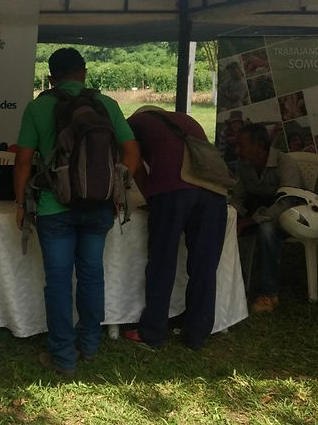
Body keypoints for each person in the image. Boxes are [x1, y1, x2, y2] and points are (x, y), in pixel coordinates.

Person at [13, 48, 141, 377]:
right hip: (99, 205)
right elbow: (131, 151)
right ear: (84, 73)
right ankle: (90, 345)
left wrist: (20, 204)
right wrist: (117, 189)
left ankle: (63, 357)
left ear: (51, 78)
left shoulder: (38, 107)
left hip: (53, 207)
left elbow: (23, 161)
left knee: (58, 281)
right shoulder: (106, 105)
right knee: (92, 275)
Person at [123, 107, 228, 350]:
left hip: (172, 190)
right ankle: (196, 334)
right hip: (214, 191)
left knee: (162, 261)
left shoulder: (134, 122)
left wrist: (152, 199)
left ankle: (152, 333)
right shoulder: (188, 120)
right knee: (204, 264)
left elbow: (134, 163)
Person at [232, 123, 304, 313]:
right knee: (226, 225)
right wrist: (231, 216)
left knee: (267, 229)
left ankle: (269, 294)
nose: (237, 151)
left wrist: (248, 222)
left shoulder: (285, 163)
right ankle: (233, 286)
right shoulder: (243, 164)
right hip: (257, 210)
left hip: (289, 216)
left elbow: (286, 203)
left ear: (259, 146)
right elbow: (238, 197)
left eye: (241, 146)